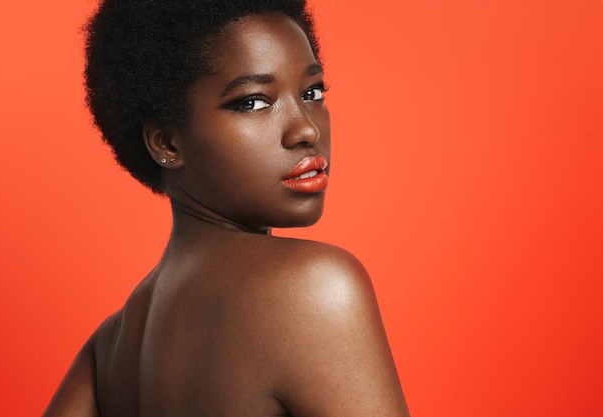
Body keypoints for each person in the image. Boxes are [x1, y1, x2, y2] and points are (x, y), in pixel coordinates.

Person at [43, 0, 410, 415]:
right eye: (253, 102)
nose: (306, 129)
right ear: (168, 143)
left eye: (312, 92)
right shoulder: (312, 287)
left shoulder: (108, 350)